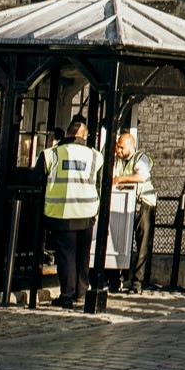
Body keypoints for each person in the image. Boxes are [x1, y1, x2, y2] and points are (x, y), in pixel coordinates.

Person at [41, 116, 100, 308]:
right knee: (83, 254)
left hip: (62, 211)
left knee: (66, 255)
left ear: (67, 133)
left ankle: (67, 295)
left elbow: (35, 179)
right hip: (87, 210)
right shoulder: (95, 155)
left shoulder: (52, 154)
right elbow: (100, 182)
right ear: (84, 135)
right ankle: (81, 292)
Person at [111, 131, 156, 293]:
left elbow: (142, 176)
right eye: (117, 147)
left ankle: (138, 282)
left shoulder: (140, 158)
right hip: (121, 202)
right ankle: (115, 278)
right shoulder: (118, 160)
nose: (118, 150)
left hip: (142, 202)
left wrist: (119, 180)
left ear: (131, 145)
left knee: (142, 243)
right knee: (118, 241)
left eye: (121, 147)